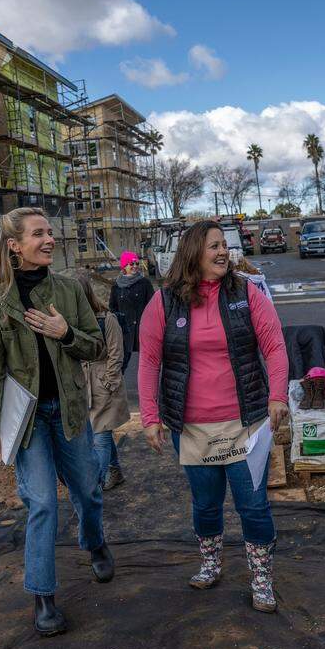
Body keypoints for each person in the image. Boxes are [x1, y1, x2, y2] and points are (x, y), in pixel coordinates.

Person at [0, 207, 114, 637]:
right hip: (28, 423)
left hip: (69, 414)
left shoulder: (68, 291)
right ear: (15, 246)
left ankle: (95, 542)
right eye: (38, 234)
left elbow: (96, 347)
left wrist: (64, 331)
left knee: (88, 489)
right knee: (43, 503)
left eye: (50, 233)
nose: (49, 239)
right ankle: (43, 596)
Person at [137, 220, 289, 613]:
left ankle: (261, 579)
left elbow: (273, 345)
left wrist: (276, 396)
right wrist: (150, 416)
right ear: (193, 254)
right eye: (214, 246)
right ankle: (210, 563)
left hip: (247, 423)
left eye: (225, 245)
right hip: (191, 427)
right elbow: (150, 360)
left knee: (253, 505)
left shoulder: (247, 292)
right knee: (205, 504)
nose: (223, 252)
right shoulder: (165, 301)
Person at [77, 271, 131, 491]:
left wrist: (109, 382)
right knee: (101, 431)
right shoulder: (70, 321)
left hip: (103, 384)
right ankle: (115, 471)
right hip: (83, 385)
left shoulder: (106, 319)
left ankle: (94, 484)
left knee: (100, 436)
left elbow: (116, 353)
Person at [109, 251, 154, 374]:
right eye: (131, 263)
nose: (135, 266)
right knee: (126, 365)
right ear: (124, 266)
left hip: (143, 331)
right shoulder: (117, 286)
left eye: (136, 263)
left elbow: (153, 306)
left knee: (145, 365)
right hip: (125, 332)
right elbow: (113, 308)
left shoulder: (145, 283)